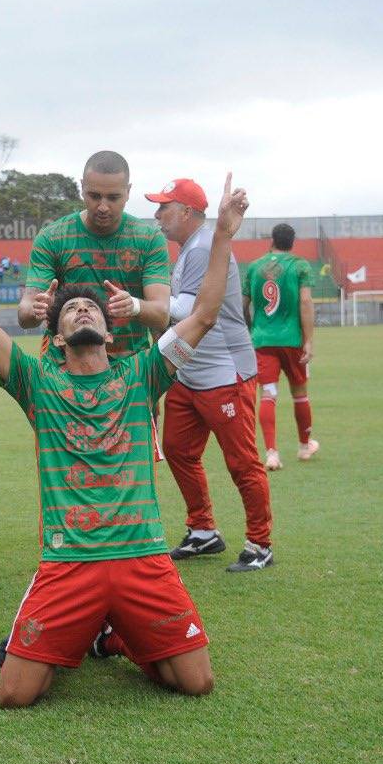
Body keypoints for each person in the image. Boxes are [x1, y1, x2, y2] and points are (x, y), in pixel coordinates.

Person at [0, 171, 247, 706]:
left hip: (143, 558)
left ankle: (117, 633)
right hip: (69, 563)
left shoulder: (143, 374)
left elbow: (204, 314)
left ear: (108, 330)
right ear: (56, 336)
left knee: (195, 683)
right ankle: (86, 631)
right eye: (70, 308)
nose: (82, 308)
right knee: (13, 696)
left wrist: (222, 236)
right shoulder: (38, 383)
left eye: (93, 308)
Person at [146, 178, 272, 572]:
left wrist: (135, 304)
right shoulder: (189, 249)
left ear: (186, 212)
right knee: (180, 451)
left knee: (242, 462)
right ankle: (203, 531)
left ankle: (260, 543)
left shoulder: (202, 246)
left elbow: (186, 311)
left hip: (224, 373)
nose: (157, 214)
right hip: (191, 371)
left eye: (164, 207)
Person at [17, 151, 170, 362]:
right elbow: (25, 316)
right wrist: (38, 308)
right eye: (94, 196)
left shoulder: (149, 239)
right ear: (82, 188)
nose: (103, 206)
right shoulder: (53, 237)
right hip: (66, 370)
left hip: (130, 370)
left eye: (113, 197)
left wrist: (133, 305)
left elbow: (161, 315)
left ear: (128, 191)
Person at [243, 224, 318, 469]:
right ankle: (305, 447)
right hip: (292, 340)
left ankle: (272, 453)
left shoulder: (254, 267)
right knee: (300, 394)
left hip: (263, 340)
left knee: (268, 394)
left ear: (272, 240)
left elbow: (242, 305)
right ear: (292, 243)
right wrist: (308, 340)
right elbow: (305, 302)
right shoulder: (300, 266)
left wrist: (250, 331)